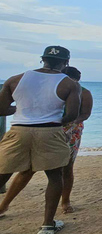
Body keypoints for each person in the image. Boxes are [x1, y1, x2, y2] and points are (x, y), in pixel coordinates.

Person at [0, 46, 81, 234]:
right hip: (50, 131)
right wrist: (49, 118)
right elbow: (71, 115)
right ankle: (47, 225)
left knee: (2, 174)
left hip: (19, 130)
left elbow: (2, 109)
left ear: (42, 59)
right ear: (66, 63)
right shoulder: (70, 84)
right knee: (54, 177)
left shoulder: (15, 79)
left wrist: (22, 111)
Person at [0, 66, 92, 216]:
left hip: (70, 130)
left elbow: (84, 114)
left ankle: (65, 201)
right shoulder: (55, 87)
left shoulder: (84, 92)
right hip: (47, 129)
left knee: (66, 168)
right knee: (28, 169)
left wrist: (68, 125)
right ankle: (5, 204)